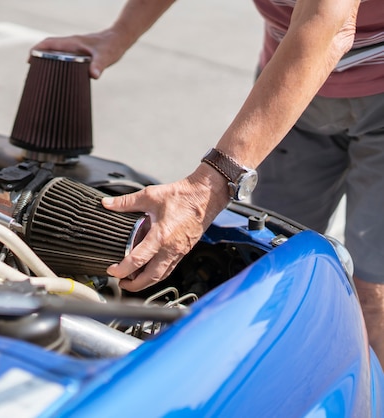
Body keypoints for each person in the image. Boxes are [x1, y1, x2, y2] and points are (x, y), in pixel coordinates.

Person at [32, 0, 384, 362]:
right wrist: (116, 36)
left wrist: (207, 188)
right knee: (275, 263)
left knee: (374, 289)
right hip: (293, 94)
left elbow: (330, 30)